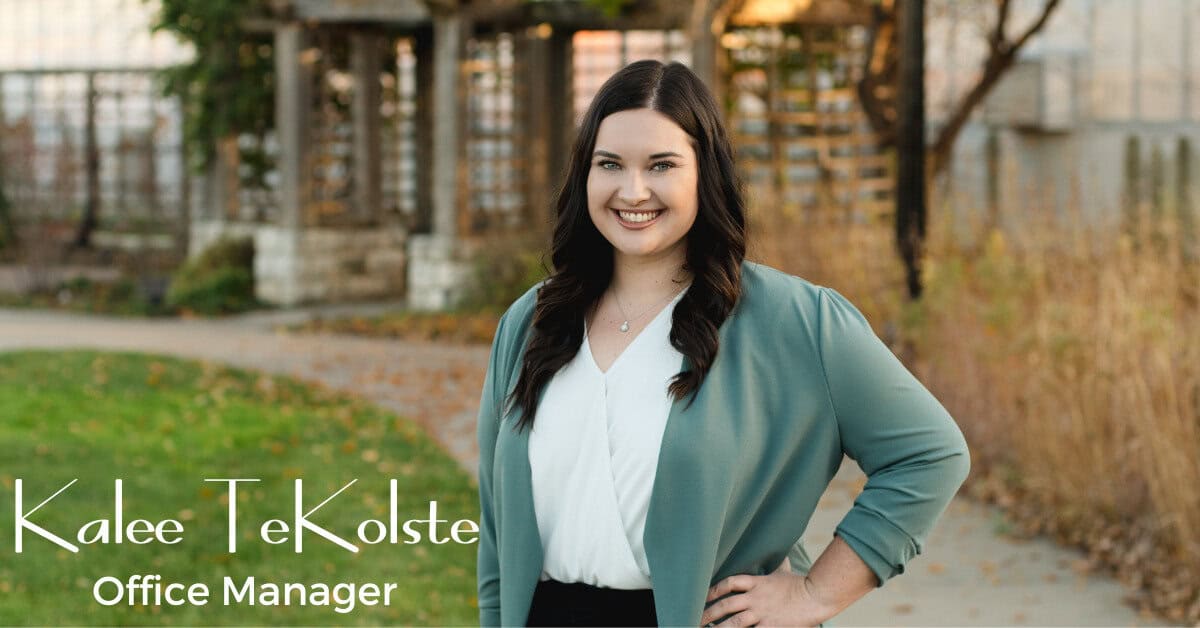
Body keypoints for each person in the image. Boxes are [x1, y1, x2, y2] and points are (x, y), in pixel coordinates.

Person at [475, 59, 970, 627]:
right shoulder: (531, 323)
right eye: (609, 164)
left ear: (703, 174)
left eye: (662, 165)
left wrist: (815, 595)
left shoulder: (793, 320)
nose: (633, 190)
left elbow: (929, 454)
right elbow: (497, 529)